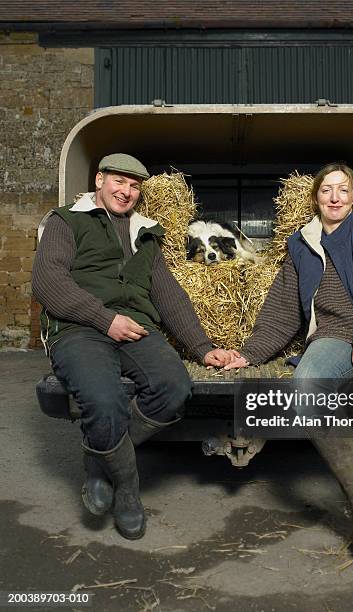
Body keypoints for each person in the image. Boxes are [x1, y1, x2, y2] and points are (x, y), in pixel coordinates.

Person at [225, 162, 353, 573]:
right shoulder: (300, 245)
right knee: (306, 391)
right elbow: (283, 309)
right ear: (315, 197)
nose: (334, 197)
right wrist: (251, 352)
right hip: (335, 332)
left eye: (342, 190)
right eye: (326, 190)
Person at [32, 153, 235, 540]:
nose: (126, 191)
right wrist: (104, 319)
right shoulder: (66, 221)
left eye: (134, 185)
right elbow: (47, 282)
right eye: (119, 182)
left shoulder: (145, 233)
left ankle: (97, 457)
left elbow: (168, 294)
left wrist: (201, 346)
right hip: (78, 328)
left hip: (135, 328)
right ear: (99, 180)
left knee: (174, 388)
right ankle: (127, 490)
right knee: (104, 400)